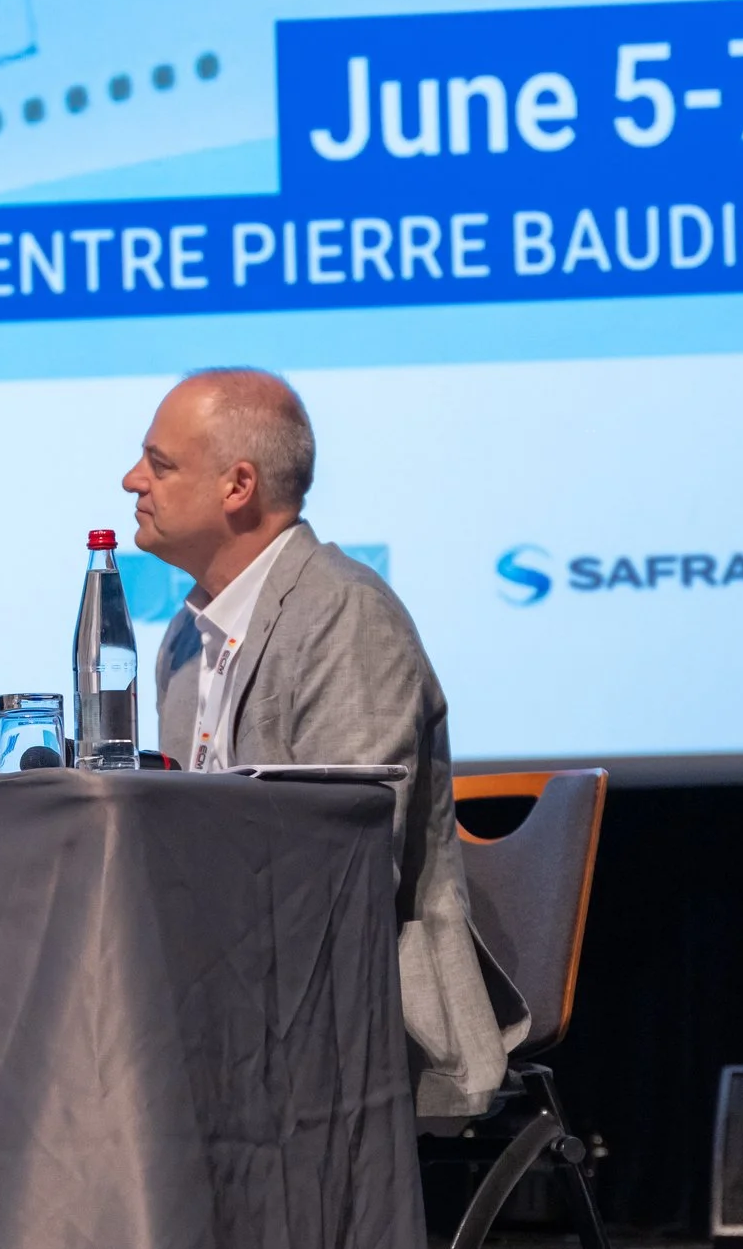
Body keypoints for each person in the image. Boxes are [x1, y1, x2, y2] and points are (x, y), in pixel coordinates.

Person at [123, 367, 526, 1122]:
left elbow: (345, 866)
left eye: (160, 463)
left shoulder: (343, 615)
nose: (131, 479)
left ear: (237, 486)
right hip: (228, 993)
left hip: (358, 1013)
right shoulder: (184, 636)